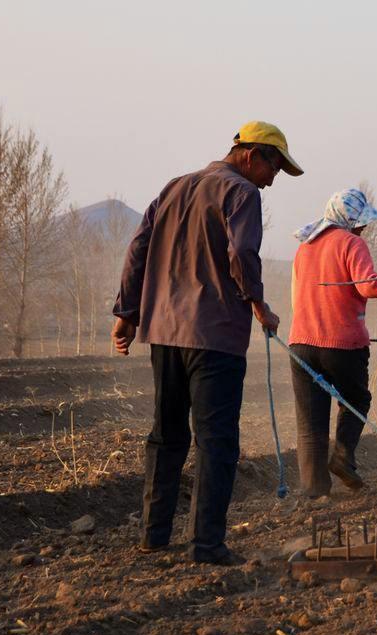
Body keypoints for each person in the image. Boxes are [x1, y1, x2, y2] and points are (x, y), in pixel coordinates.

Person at [111, 121, 301, 565]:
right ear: (252, 155)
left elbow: (137, 249)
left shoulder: (174, 187)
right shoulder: (241, 194)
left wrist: (127, 314)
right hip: (214, 335)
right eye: (274, 167)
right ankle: (206, 545)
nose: (273, 180)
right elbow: (241, 253)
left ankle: (153, 535)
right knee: (216, 442)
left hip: (163, 333)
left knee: (167, 435)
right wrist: (258, 302)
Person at [288, 188, 377, 498]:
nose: (365, 228)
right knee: (355, 401)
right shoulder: (352, 243)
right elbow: (368, 287)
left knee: (311, 420)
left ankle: (314, 492)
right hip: (342, 345)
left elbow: (297, 296)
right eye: (362, 222)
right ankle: (342, 458)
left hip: (300, 343)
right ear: (349, 219)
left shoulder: (305, 247)